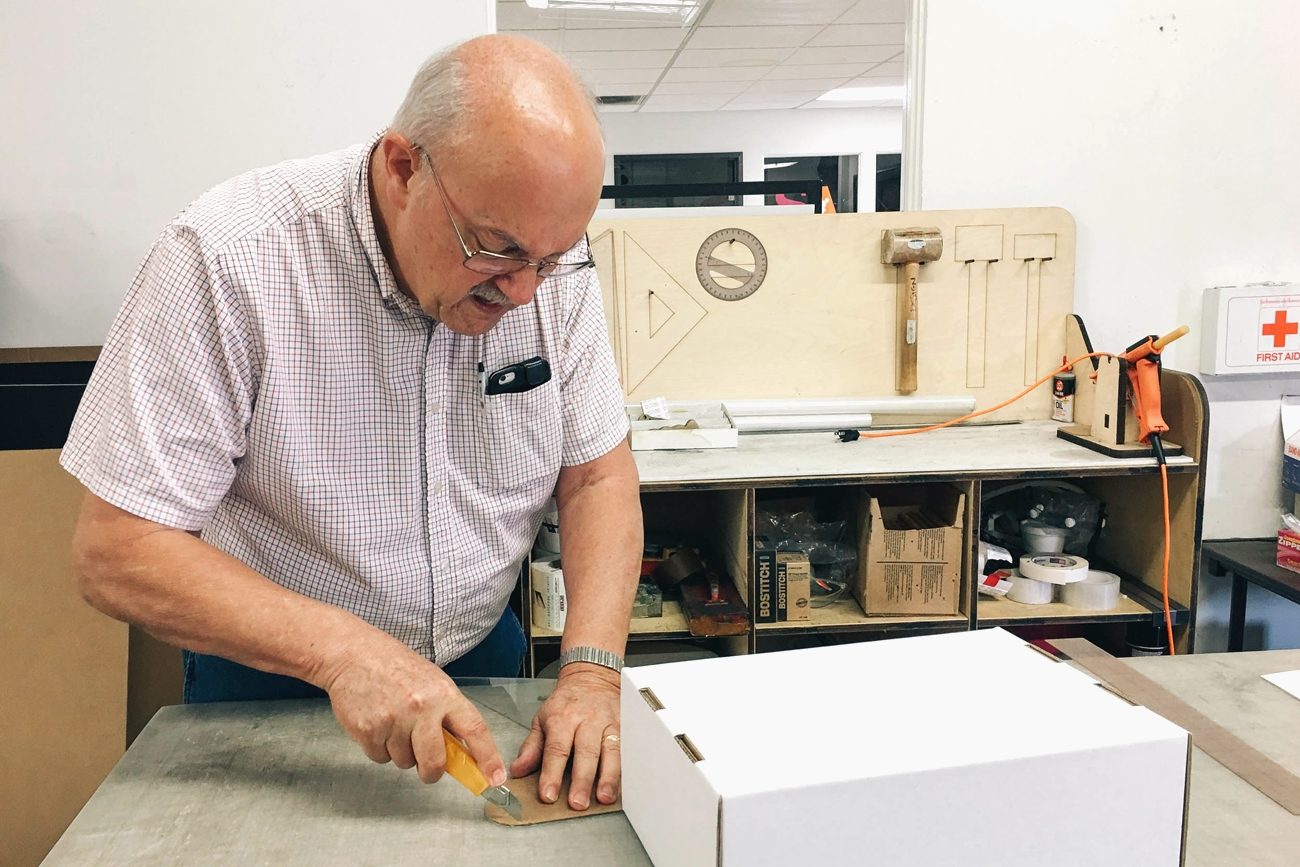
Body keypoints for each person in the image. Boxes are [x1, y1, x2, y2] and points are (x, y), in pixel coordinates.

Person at [62, 34, 642, 812]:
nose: (526, 292)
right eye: (496, 251)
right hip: (270, 681)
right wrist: (341, 653)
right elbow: (116, 549)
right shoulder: (231, 257)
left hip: (482, 660)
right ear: (403, 168)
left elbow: (597, 474)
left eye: (552, 257)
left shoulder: (541, 258)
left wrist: (593, 672)